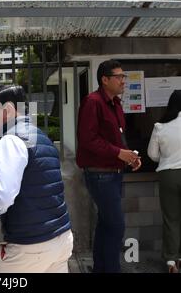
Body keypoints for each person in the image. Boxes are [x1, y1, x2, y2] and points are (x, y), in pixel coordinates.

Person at [0, 85, 73, 273]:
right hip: (62, 240)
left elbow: (3, 194)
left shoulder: (11, 140)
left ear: (8, 110)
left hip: (31, 247)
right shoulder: (42, 138)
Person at [76, 59, 141, 273]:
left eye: (124, 76)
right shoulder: (92, 102)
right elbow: (88, 140)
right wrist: (118, 153)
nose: (124, 81)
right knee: (116, 225)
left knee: (106, 224)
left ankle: (101, 269)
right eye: (119, 77)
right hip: (99, 175)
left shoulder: (115, 104)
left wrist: (129, 156)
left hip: (114, 173)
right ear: (105, 80)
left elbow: (117, 139)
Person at [148, 90, 181, 273]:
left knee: (171, 219)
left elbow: (152, 155)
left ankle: (171, 261)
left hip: (168, 175)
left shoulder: (160, 127)